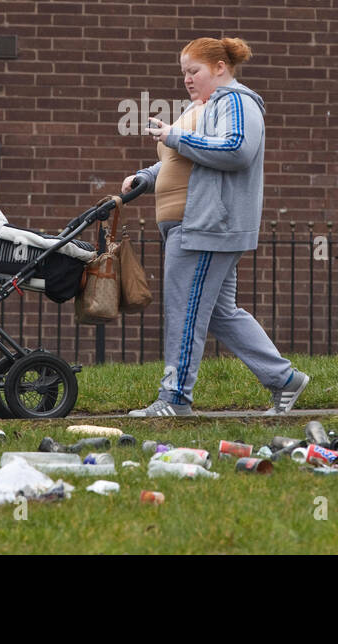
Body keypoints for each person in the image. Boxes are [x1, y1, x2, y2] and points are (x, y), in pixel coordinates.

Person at [122, 37, 309, 417]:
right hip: (195, 224)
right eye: (184, 73)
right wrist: (146, 176)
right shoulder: (203, 107)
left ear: (220, 67)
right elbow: (186, 161)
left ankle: (174, 398)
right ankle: (284, 379)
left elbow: (236, 149)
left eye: (195, 71)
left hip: (206, 225)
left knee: (184, 312)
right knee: (221, 313)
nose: (188, 79)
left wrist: (173, 135)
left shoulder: (236, 102)